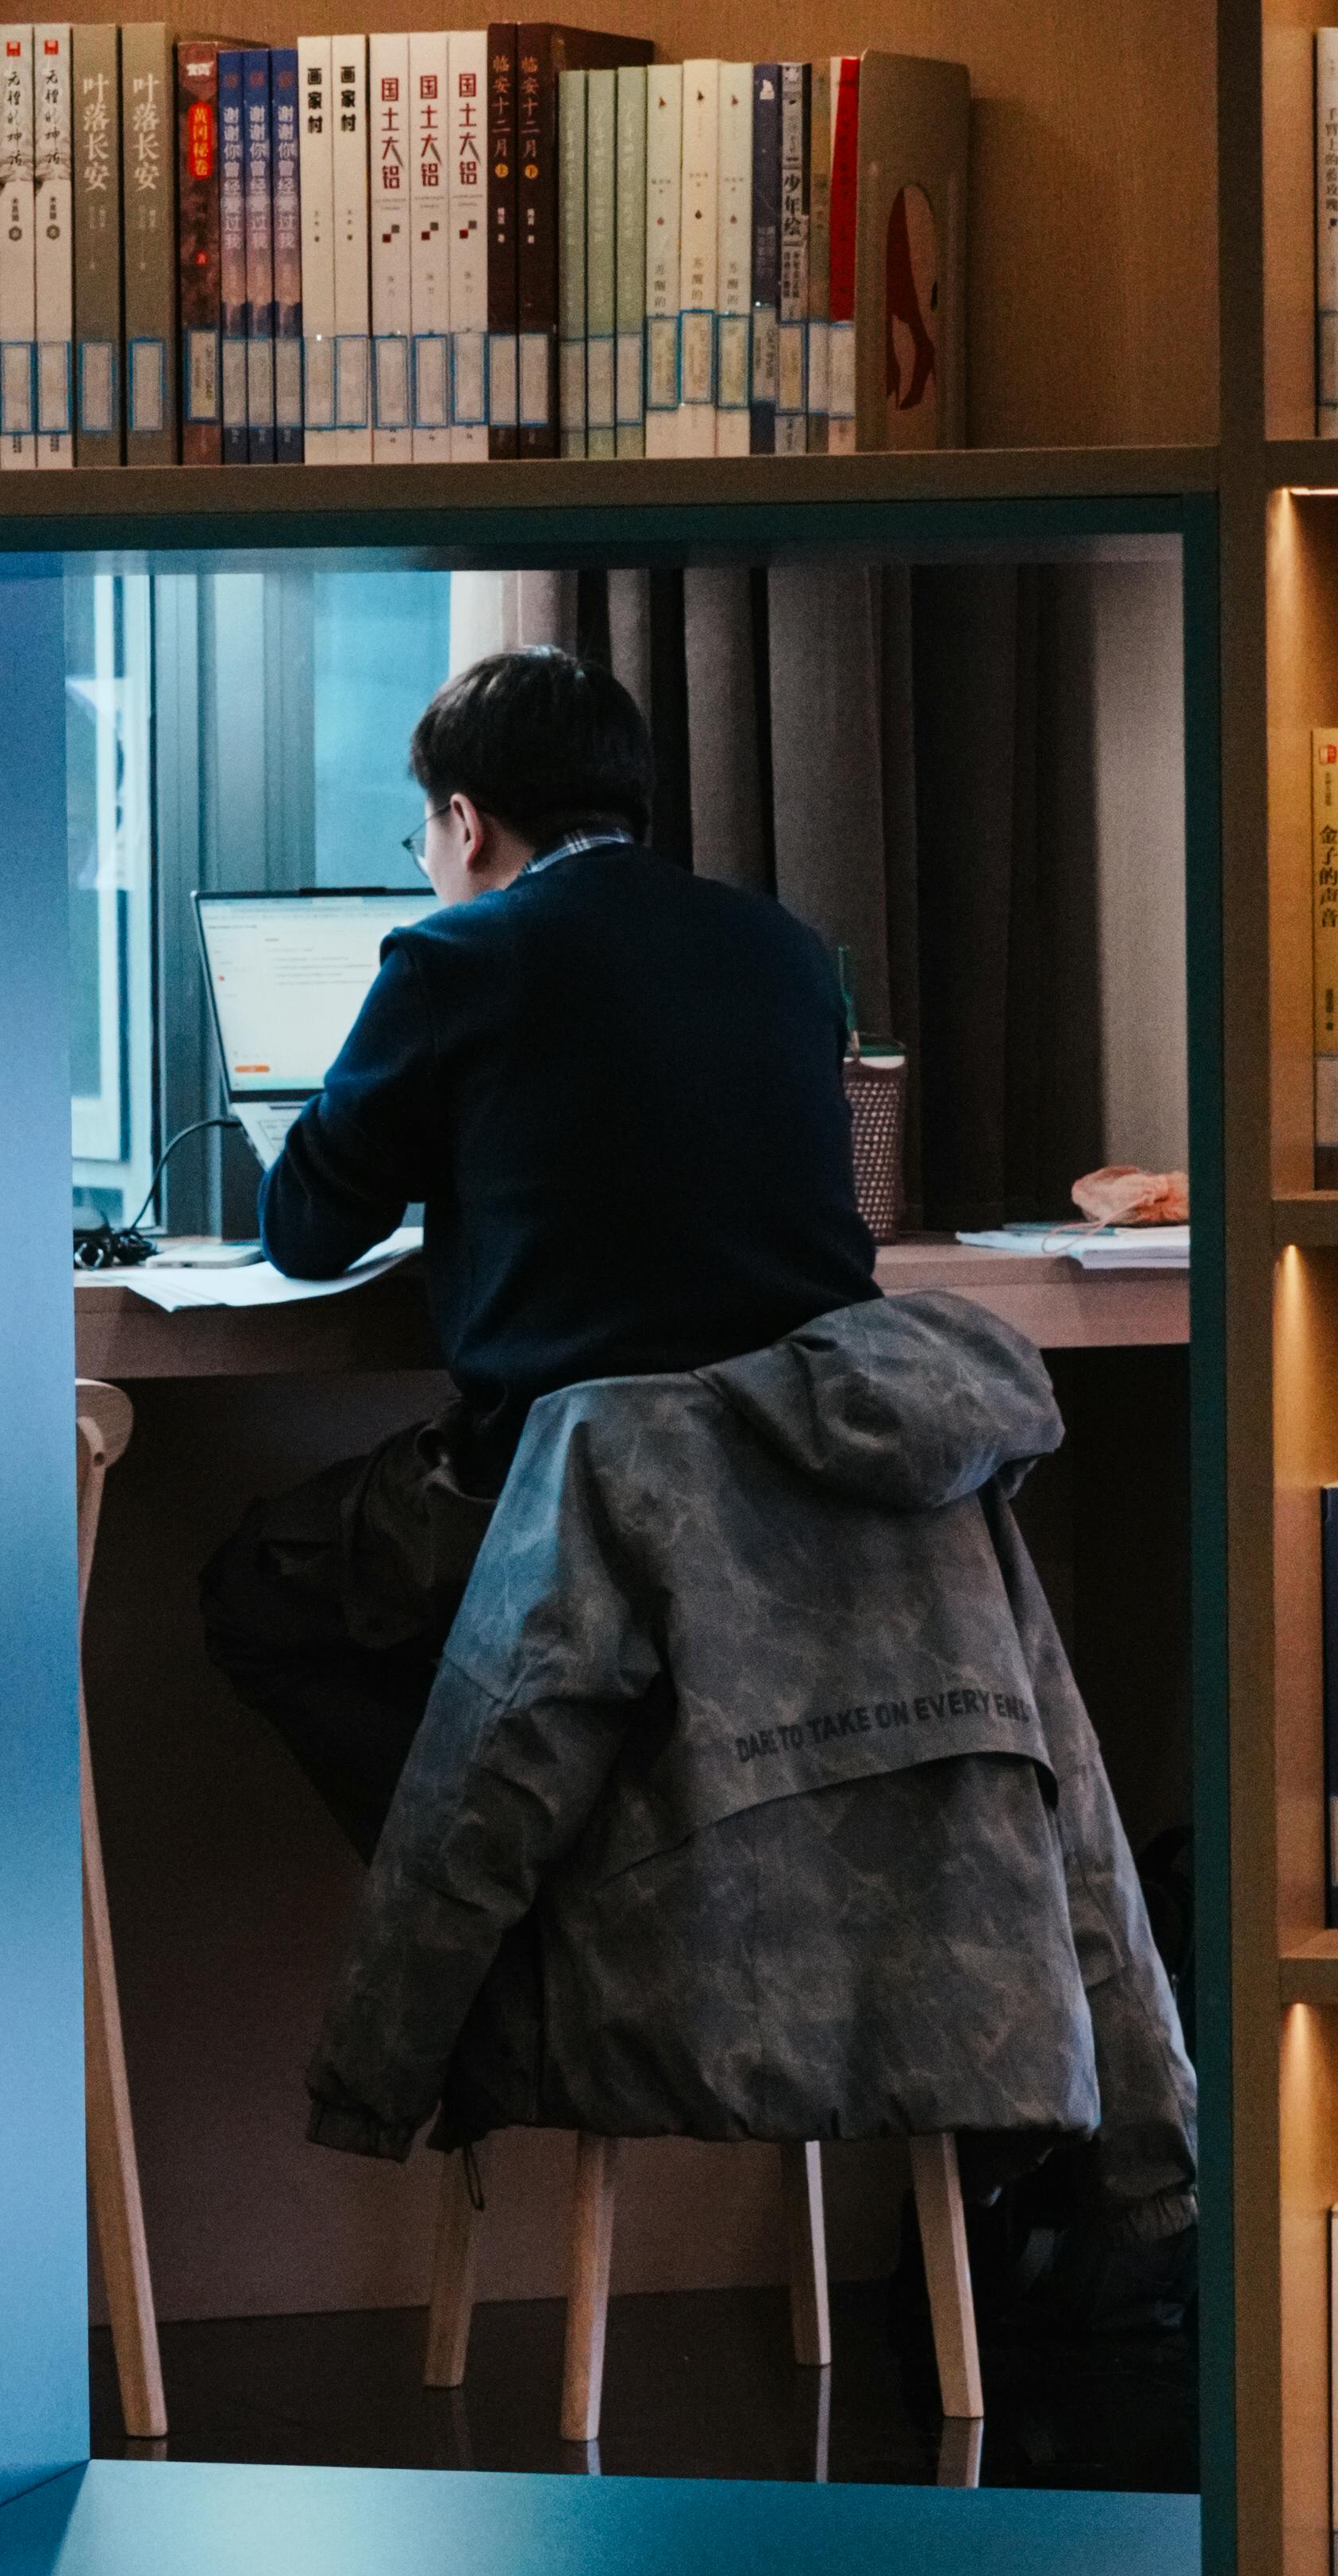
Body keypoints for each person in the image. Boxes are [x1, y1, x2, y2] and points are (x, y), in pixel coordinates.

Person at [198, 642, 876, 1856]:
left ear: (463, 822)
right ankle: (589, 1832)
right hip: (792, 1503)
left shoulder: (454, 960)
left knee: (263, 1590)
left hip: (563, 1502)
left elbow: (306, 1231)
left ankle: (491, 1876)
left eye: (428, 842)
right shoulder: (784, 949)